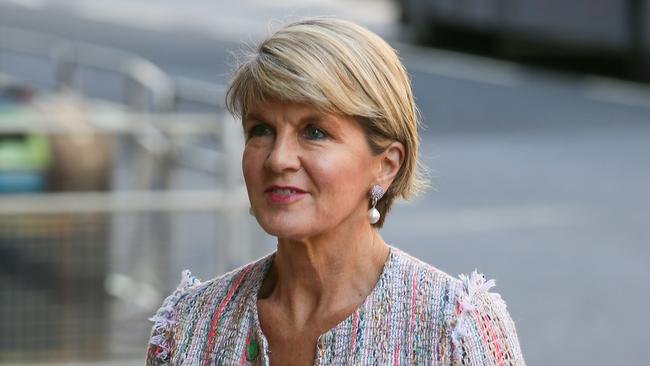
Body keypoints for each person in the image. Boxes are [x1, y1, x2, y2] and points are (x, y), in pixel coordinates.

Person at [145, 18, 526, 366]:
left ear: (386, 165)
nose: (278, 159)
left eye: (314, 132)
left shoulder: (452, 328)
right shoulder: (189, 326)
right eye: (261, 129)